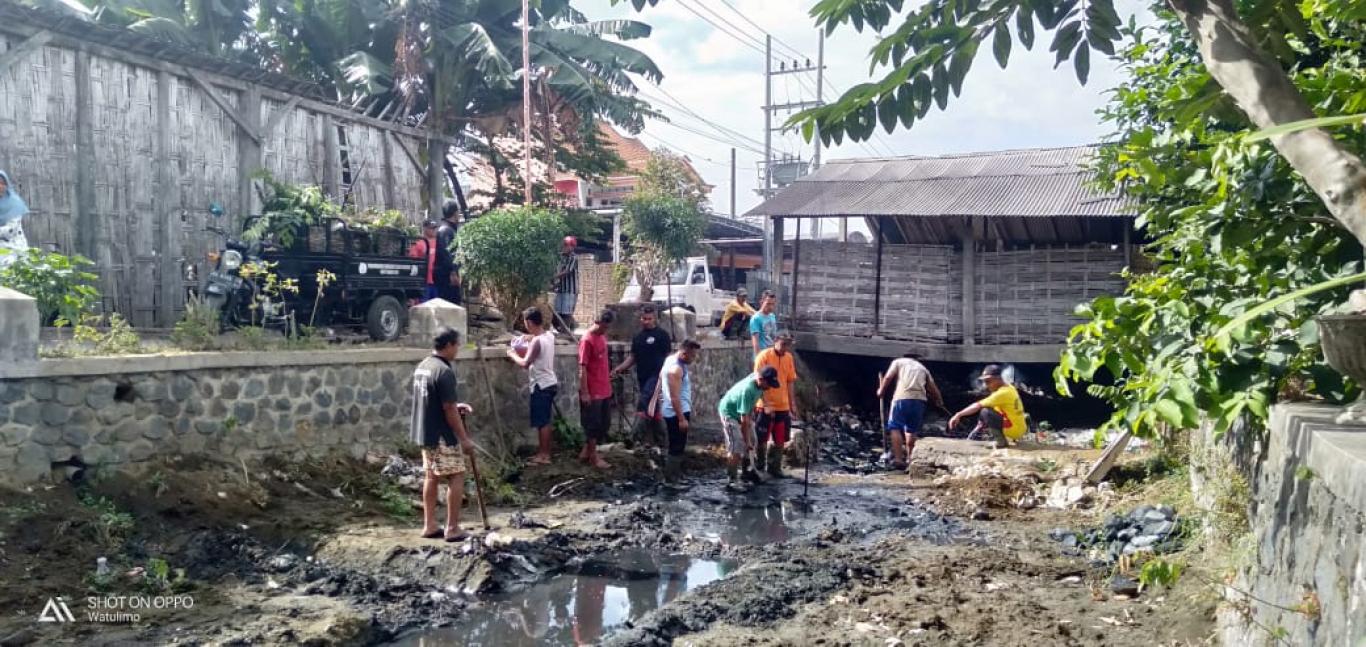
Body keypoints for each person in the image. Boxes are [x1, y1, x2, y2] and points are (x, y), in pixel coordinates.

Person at [410, 327, 475, 541]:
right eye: (456, 345)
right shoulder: (444, 371)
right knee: (456, 474)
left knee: (431, 476)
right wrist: (464, 439)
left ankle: (430, 524)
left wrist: (457, 406)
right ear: (447, 345)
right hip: (441, 434)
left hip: (424, 432)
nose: (457, 349)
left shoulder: (423, 366)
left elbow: (437, 401)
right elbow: (447, 408)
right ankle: (452, 527)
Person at [610, 305, 672, 450]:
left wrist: (668, 373)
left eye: (649, 319)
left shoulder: (662, 335)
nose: (646, 321)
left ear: (654, 318)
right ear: (640, 319)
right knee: (653, 408)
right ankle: (662, 440)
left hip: (658, 376)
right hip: (642, 376)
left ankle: (634, 436)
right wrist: (619, 369)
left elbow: (669, 356)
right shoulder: (638, 338)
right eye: (644, 319)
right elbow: (632, 357)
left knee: (644, 402)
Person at [876, 352, 945, 470]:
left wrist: (881, 390)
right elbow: (932, 387)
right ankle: (910, 459)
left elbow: (888, 377)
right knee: (911, 430)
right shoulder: (923, 368)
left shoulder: (898, 362)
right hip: (919, 401)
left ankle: (898, 459)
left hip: (902, 397)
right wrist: (939, 400)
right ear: (917, 358)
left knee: (895, 427)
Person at [717, 367, 781, 491]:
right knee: (737, 446)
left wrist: (767, 405)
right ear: (761, 380)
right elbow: (744, 421)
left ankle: (746, 473)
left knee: (754, 440)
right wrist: (747, 442)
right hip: (729, 414)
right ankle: (731, 480)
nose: (770, 387)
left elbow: (761, 393)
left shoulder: (760, 382)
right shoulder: (747, 390)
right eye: (769, 384)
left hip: (743, 413)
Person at [507, 307, 558, 465]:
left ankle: (544, 456)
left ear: (529, 322)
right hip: (550, 382)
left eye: (525, 323)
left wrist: (511, 354)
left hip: (540, 385)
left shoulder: (537, 341)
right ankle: (544, 453)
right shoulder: (549, 335)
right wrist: (525, 337)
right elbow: (535, 339)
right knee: (546, 421)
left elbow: (525, 363)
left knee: (542, 422)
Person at [656, 338, 702, 485]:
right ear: (683, 353)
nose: (694, 359)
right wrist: (682, 418)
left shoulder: (670, 359)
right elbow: (675, 397)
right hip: (676, 412)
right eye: (692, 356)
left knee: (677, 445)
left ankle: (675, 475)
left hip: (676, 410)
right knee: (677, 446)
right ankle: (670, 480)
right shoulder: (676, 369)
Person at [948, 364, 1028, 449]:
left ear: (998, 379)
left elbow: (977, 405)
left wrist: (958, 414)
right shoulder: (1010, 388)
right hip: (1020, 428)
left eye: (988, 381)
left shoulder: (1002, 394)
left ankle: (1001, 442)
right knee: (990, 408)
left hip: (1014, 430)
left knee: (985, 412)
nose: (986, 385)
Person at [753, 331, 799, 478]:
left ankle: (775, 467)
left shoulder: (789, 358)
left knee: (780, 439)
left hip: (782, 406)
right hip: (764, 406)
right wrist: (767, 405)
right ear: (775, 341)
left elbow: (790, 381)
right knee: (762, 438)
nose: (785, 347)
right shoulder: (764, 356)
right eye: (783, 344)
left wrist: (793, 404)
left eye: (788, 345)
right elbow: (758, 381)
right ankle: (759, 466)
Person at [578, 309, 615, 470]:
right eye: (604, 327)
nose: (605, 330)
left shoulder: (602, 338)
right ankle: (593, 456)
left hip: (604, 386)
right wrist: (585, 392)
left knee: (604, 423)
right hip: (593, 390)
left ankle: (587, 451)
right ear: (597, 322)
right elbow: (582, 368)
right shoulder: (587, 340)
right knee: (593, 424)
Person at [0, 170, 30, 272]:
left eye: (2, 183)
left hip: (12, 246)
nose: (0, 186)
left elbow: (10, 230)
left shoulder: (14, 203)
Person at [434, 200, 462, 305]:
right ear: (455, 213)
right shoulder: (446, 231)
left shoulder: (450, 230)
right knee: (451, 305)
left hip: (449, 275)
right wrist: (453, 272)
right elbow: (446, 253)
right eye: (458, 212)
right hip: (447, 277)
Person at [407, 220, 441, 302]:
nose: (433, 230)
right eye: (431, 228)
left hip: (437, 282)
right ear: (425, 229)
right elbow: (413, 261)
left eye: (434, 228)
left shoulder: (439, 242)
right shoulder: (419, 244)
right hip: (425, 283)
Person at [552, 236, 580, 333]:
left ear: (572, 247)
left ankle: (566, 331)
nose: (564, 247)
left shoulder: (573, 258)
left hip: (570, 290)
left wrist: (553, 277)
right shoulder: (560, 257)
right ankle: (570, 327)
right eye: (564, 245)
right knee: (555, 312)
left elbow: (567, 271)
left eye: (566, 245)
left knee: (566, 312)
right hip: (560, 289)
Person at [749, 290, 778, 356]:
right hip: (762, 356)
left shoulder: (772, 316)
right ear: (761, 302)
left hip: (772, 355)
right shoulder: (756, 318)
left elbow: (774, 336)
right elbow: (755, 342)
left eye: (773, 304)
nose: (771, 307)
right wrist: (758, 359)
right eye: (768, 304)